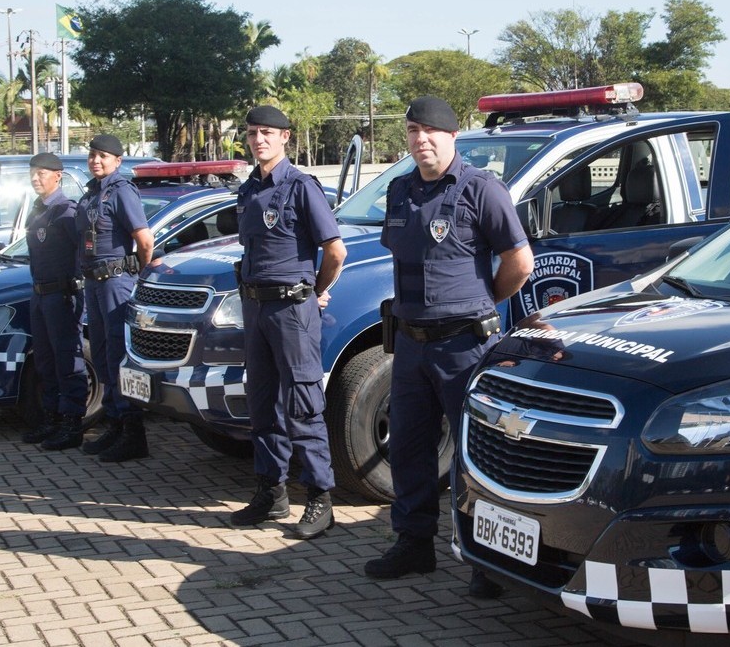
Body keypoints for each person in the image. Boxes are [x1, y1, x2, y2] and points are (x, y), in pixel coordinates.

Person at [363, 97, 533, 598]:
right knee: (410, 450)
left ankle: (486, 560)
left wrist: (483, 302)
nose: (421, 140)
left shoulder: (481, 189)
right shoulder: (400, 191)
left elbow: (518, 262)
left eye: (431, 131)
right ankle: (414, 544)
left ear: (453, 136)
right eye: (413, 130)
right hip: (411, 346)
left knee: (474, 454)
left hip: (464, 346)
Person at [227, 105, 346, 540]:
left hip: (293, 310)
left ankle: (319, 498)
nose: (259, 139)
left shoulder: (300, 187)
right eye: (253, 132)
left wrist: (315, 289)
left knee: (302, 403)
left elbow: (335, 250)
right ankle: (271, 492)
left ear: (285, 138)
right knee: (262, 404)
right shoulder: (249, 190)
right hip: (257, 308)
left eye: (268, 133)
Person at [75, 134, 154, 463]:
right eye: (93, 155)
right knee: (106, 353)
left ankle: (133, 432)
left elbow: (144, 239)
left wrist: (139, 272)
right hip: (94, 283)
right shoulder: (92, 193)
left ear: (118, 160)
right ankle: (115, 423)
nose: (96, 160)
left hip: (116, 282)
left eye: (103, 156)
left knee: (120, 354)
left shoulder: (121, 191)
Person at [20, 153, 89, 450]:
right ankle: (52, 419)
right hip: (39, 294)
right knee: (46, 361)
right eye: (33, 173)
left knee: (67, 360)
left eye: (42, 173)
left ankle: (72, 424)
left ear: (57, 176)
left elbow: (82, 253)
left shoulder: (66, 211)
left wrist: (75, 287)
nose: (36, 178)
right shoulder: (37, 210)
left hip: (61, 295)